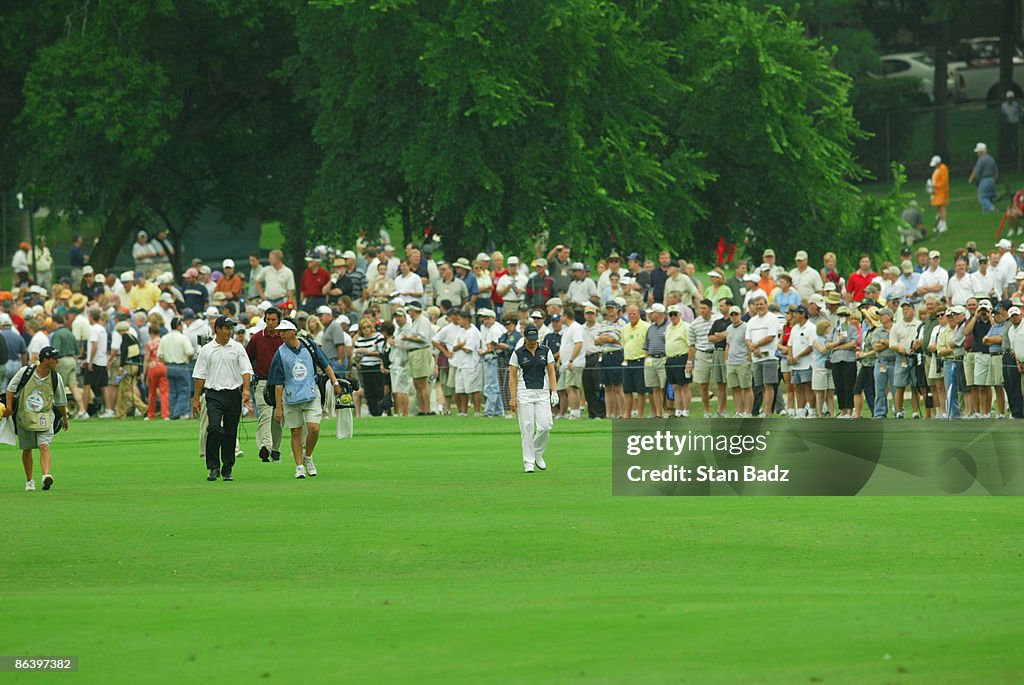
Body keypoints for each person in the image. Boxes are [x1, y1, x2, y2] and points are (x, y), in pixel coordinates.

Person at [269, 319, 342, 479]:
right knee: (296, 431)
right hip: (291, 397)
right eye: (280, 331)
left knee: (314, 428)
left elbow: (325, 364)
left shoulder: (309, 346)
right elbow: (278, 383)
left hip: (311, 394)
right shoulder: (280, 353)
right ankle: (299, 466)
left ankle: (307, 456)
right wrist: (279, 407)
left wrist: (335, 382)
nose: (280, 334)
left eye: (284, 331)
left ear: (293, 332)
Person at [192, 316, 253, 481]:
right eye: (226, 328)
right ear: (217, 329)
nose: (229, 331)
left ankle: (227, 469)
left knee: (230, 433)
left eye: (230, 328)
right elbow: (200, 375)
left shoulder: (238, 347)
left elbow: (246, 370)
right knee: (213, 428)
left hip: (233, 393)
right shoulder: (206, 349)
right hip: (214, 394)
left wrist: (246, 389)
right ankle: (213, 467)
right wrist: (196, 398)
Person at [5, 346, 69, 491]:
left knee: (44, 445)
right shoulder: (25, 372)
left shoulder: (55, 377)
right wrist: (9, 408)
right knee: (27, 449)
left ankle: (46, 475)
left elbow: (60, 401)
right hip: (24, 415)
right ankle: (29, 480)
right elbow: (10, 389)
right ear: (45, 360)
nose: (57, 362)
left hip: (45, 416)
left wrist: (65, 418)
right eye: (54, 359)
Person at [508, 324, 557, 473]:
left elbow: (551, 372)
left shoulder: (545, 351)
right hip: (524, 392)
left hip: (542, 392)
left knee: (545, 426)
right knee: (527, 427)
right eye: (530, 339)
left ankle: (537, 452)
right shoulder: (518, 353)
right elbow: (512, 376)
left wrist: (554, 392)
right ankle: (528, 462)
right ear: (525, 337)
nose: (532, 342)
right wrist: (513, 397)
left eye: (534, 339)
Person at [246, 306, 285, 461]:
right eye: (268, 319)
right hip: (262, 382)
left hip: (281, 384)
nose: (270, 323)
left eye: (273, 320)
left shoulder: (284, 337)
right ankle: (265, 447)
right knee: (265, 415)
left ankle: (275, 449)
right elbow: (247, 358)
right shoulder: (257, 338)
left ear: (279, 320)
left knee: (277, 417)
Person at [158, 316, 195, 419]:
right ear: (178, 326)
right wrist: (189, 360)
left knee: (173, 391)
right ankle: (177, 413)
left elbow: (159, 355)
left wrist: (166, 362)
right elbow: (190, 352)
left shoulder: (164, 338)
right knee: (184, 390)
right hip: (182, 366)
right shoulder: (183, 338)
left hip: (169, 367)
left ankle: (173, 411)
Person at [968, 142, 998, 212]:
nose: (977, 154)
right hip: (992, 180)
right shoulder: (991, 158)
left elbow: (976, 170)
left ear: (981, 151)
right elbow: (996, 170)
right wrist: (995, 179)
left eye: (977, 152)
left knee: (982, 197)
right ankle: (986, 213)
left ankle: (992, 208)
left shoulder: (981, 159)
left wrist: (971, 179)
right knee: (989, 197)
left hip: (984, 180)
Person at [928, 155, 950, 234]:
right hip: (936, 192)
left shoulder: (943, 168)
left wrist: (935, 185)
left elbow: (944, 182)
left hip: (942, 192)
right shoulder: (937, 169)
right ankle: (938, 223)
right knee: (938, 208)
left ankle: (943, 224)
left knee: (942, 208)